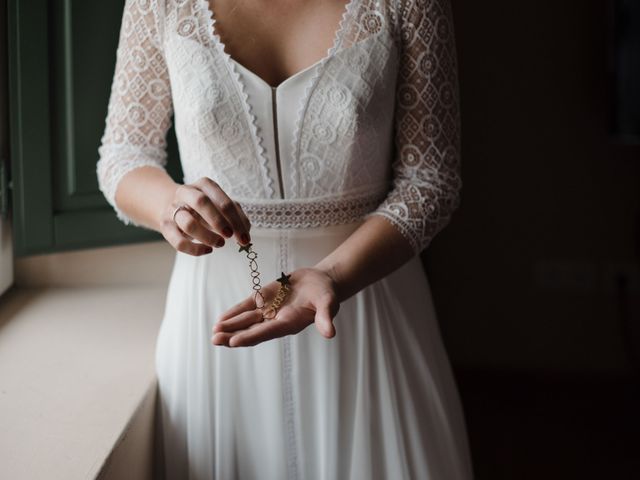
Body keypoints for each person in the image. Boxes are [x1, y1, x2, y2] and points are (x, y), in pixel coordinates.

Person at [96, 0, 474, 478]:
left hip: (365, 302)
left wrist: (334, 276)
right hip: (215, 315)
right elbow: (123, 154)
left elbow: (432, 179)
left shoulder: (410, 5)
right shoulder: (158, 4)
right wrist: (171, 205)